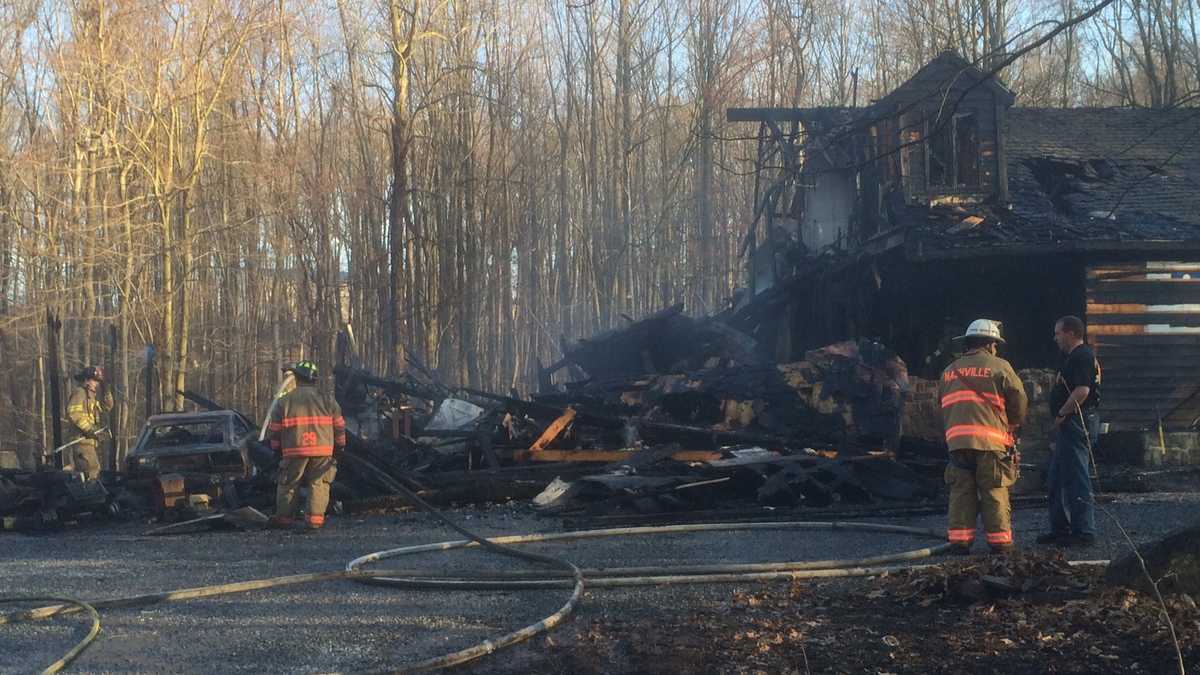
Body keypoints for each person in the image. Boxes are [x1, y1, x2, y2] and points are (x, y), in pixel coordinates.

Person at [939, 319, 1028, 554]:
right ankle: (1000, 544)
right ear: (990, 344)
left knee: (961, 492)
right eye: (995, 345)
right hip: (990, 442)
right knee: (993, 490)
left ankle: (959, 542)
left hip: (957, 443)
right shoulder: (1000, 366)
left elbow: (941, 405)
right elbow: (1018, 399)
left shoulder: (949, 371)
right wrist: (1014, 424)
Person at [1037, 315, 1101, 547]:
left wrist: (1063, 413)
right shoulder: (1070, 357)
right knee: (1056, 477)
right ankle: (1061, 529)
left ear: (1071, 333)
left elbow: (1082, 391)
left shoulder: (1082, 356)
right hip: (1069, 423)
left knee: (1076, 477)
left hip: (1077, 422)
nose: (1055, 338)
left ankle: (1084, 532)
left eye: (1058, 333)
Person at [267, 361, 346, 531]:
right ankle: (315, 522)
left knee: (289, 483)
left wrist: (275, 448)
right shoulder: (328, 400)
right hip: (323, 450)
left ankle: (284, 520)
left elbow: (275, 430)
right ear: (314, 380)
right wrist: (340, 447)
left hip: (294, 450)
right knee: (319, 484)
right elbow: (339, 427)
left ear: (297, 377)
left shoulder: (284, 402)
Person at [66, 365, 114, 480]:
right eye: (95, 381)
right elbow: (74, 414)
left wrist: (106, 391)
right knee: (92, 471)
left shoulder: (92, 397)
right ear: (86, 380)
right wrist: (90, 430)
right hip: (81, 441)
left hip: (88, 442)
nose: (96, 384)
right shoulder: (80, 393)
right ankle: (92, 496)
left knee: (88, 472)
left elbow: (107, 407)